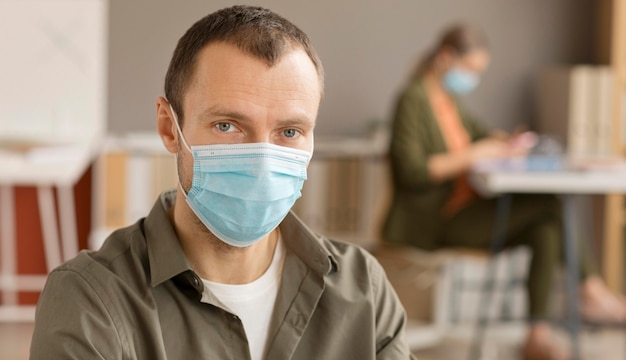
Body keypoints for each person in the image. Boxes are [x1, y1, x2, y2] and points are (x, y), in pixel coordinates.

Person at [30, 6, 414, 360]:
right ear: (169, 128)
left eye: (290, 131)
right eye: (227, 125)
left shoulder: (364, 291)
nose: (263, 160)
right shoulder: (90, 300)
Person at [382, 23, 626, 360]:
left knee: (546, 227)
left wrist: (504, 142)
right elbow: (412, 171)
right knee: (551, 206)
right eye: (469, 69)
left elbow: (478, 135)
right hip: (437, 220)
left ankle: (536, 335)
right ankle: (591, 290)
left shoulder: (448, 102)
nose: (471, 78)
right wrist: (475, 154)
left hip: (466, 208)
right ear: (445, 57)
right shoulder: (413, 100)